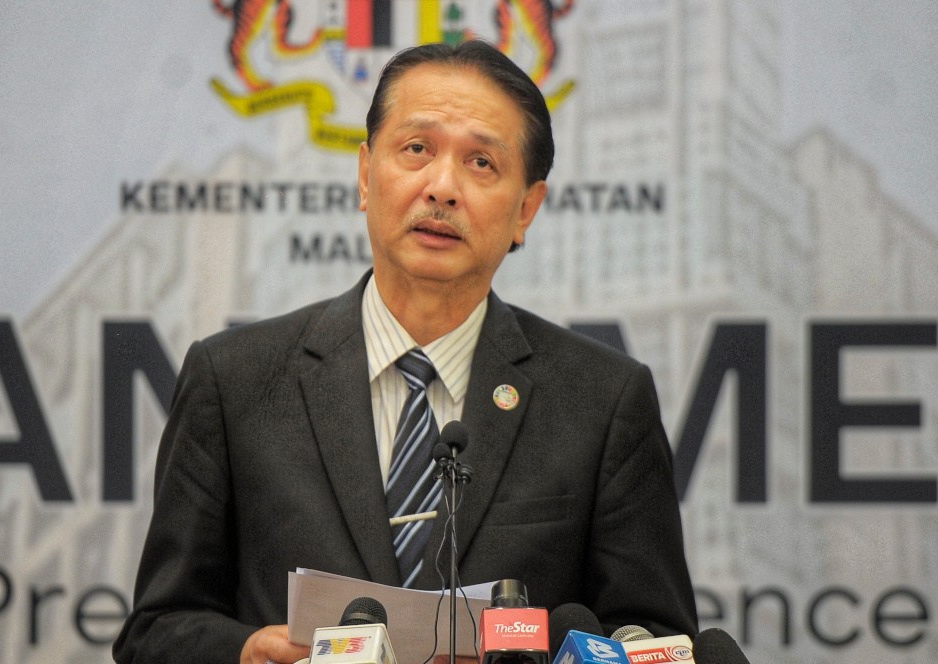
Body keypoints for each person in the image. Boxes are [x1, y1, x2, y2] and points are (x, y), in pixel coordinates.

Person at [113, 41, 697, 664]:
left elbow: (654, 640)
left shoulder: (603, 400)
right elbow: (156, 631)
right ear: (366, 175)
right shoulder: (234, 379)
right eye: (417, 149)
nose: (442, 188)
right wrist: (245, 654)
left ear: (526, 209)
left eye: (481, 162)